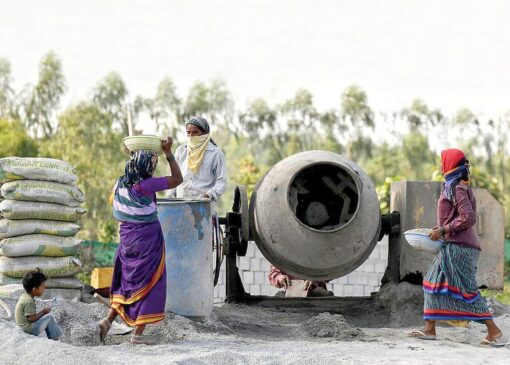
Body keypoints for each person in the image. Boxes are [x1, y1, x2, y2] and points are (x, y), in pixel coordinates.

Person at [409, 148, 504, 346]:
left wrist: (443, 230)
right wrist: (440, 229)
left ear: (450, 164)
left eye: (443, 161)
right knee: (431, 282)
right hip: (452, 244)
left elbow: (468, 218)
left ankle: (493, 330)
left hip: (460, 247)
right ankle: (429, 329)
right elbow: (456, 216)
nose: (441, 165)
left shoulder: (457, 187)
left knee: (466, 289)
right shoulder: (454, 184)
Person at [97, 137, 183, 345]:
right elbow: (178, 179)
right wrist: (169, 153)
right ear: (148, 167)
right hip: (148, 242)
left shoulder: (120, 183)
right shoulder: (147, 185)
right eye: (153, 163)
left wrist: (134, 153)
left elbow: (134, 167)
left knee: (126, 283)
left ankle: (107, 322)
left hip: (126, 242)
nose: (154, 167)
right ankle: (137, 336)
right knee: (149, 282)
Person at [168, 116, 227, 211]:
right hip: (180, 206)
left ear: (205, 133)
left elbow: (222, 182)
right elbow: (174, 177)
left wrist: (209, 194)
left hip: (204, 207)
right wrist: (170, 197)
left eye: (195, 132)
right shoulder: (181, 151)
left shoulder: (216, 153)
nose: (191, 136)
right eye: (188, 133)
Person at [15, 269, 62, 340]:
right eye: (42, 286)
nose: (44, 288)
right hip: (29, 329)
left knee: (46, 318)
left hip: (25, 327)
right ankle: (56, 339)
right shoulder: (29, 301)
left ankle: (53, 337)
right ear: (34, 289)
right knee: (49, 318)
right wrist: (43, 312)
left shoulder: (25, 297)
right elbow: (31, 318)